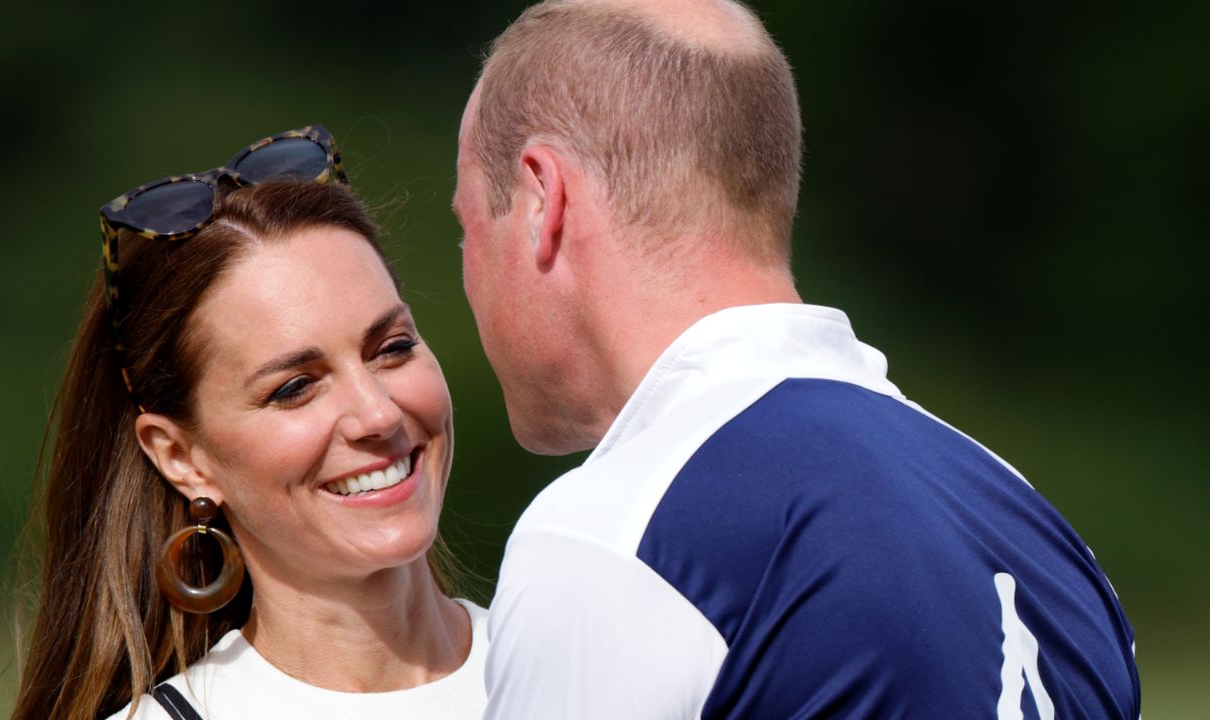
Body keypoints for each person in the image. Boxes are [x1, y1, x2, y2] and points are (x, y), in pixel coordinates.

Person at [453, 1, 1140, 718]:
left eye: (467, 223)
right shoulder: (1034, 531)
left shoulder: (614, 540)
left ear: (543, 198)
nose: (469, 272)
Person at [11, 126, 486, 720]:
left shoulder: (602, 664)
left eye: (390, 348)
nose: (378, 414)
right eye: (295, 387)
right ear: (181, 457)